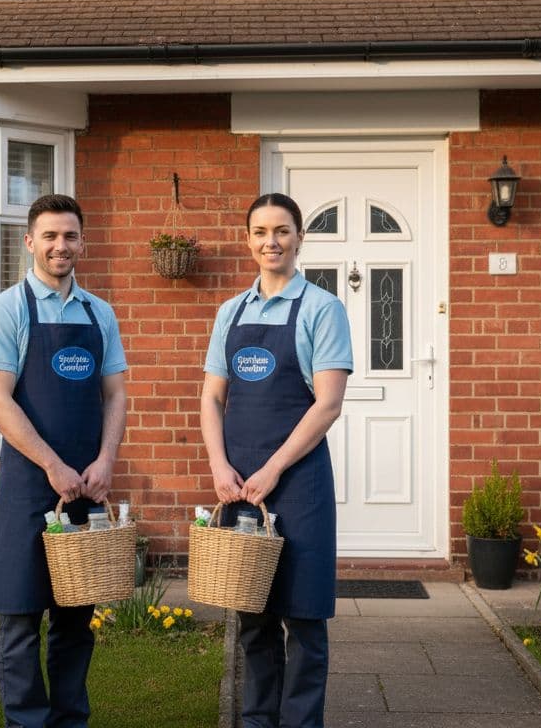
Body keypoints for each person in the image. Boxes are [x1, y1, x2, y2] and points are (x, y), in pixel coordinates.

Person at [200, 192, 352, 728]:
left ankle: (302, 721)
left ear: (299, 237)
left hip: (299, 480)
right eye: (261, 231)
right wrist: (220, 466)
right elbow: (212, 398)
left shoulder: (322, 308)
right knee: (253, 613)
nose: (272, 241)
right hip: (239, 482)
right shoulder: (230, 311)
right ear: (248, 240)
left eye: (282, 231)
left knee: (304, 616)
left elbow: (328, 403)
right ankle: (259, 718)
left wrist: (274, 469)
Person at [0, 194, 128, 728]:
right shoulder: (7, 310)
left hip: (87, 486)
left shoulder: (98, 313)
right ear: (29, 242)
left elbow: (115, 394)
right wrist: (50, 465)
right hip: (27, 485)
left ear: (82, 242)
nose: (60, 246)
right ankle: (26, 721)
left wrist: (106, 460)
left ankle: (70, 720)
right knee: (20, 615)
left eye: (69, 236)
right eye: (49, 236)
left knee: (75, 616)